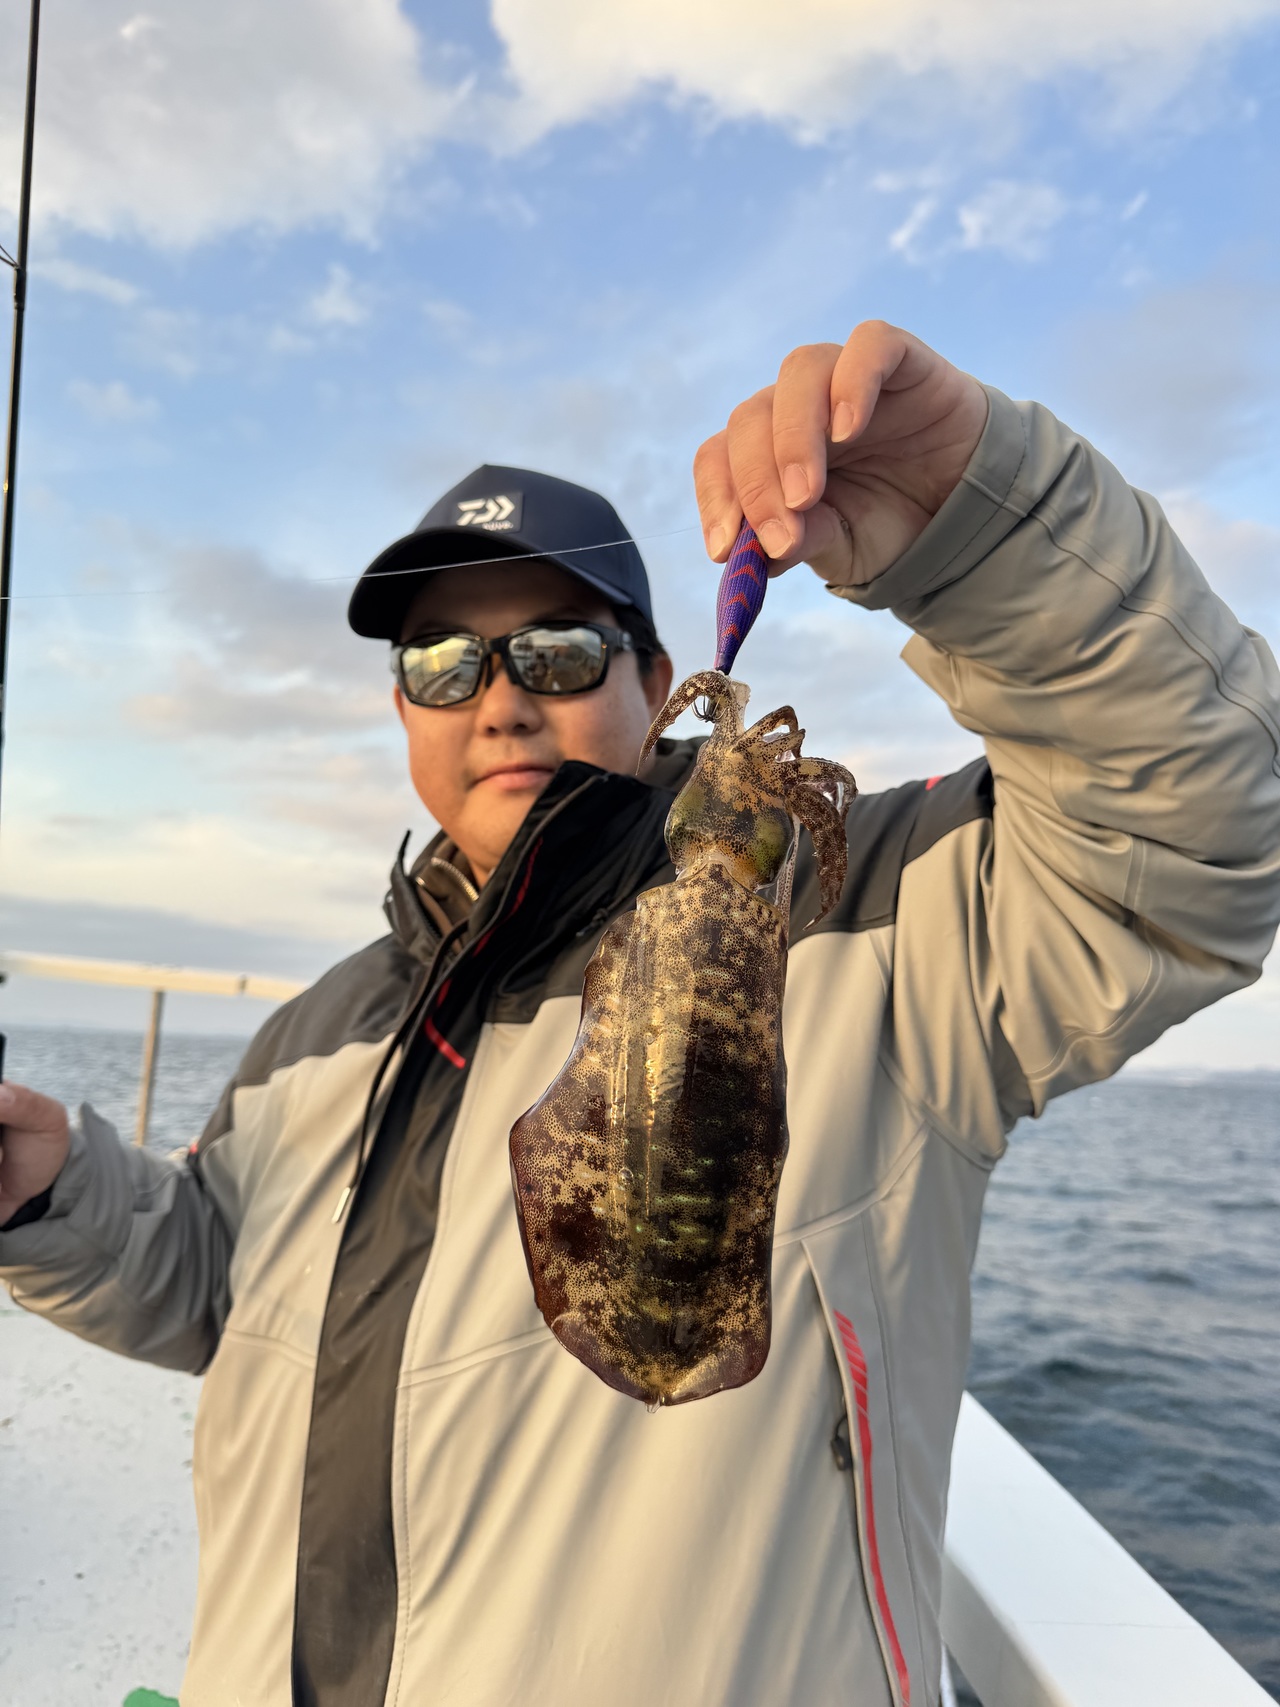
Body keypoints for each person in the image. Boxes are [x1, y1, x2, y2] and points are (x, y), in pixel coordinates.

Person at [2, 322, 1278, 1707]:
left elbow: (1192, 833)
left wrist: (986, 533)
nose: (500, 701)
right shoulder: (319, 1027)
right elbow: (215, 1281)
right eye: (444, 663)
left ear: (659, 685)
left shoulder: (873, 916)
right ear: (404, 709)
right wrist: (51, 1193)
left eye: (558, 652)